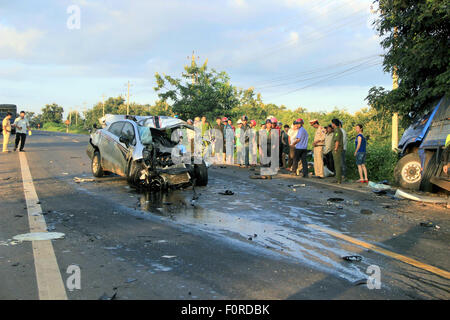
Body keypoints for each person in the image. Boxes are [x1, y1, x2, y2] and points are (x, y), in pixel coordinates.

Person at [331, 119, 343, 184]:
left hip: (337, 149)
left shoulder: (337, 131)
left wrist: (335, 148)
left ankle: (338, 180)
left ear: (334, 124)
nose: (332, 125)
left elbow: (337, 140)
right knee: (336, 164)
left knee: (337, 164)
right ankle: (337, 178)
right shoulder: (336, 130)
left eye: (332, 123)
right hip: (336, 149)